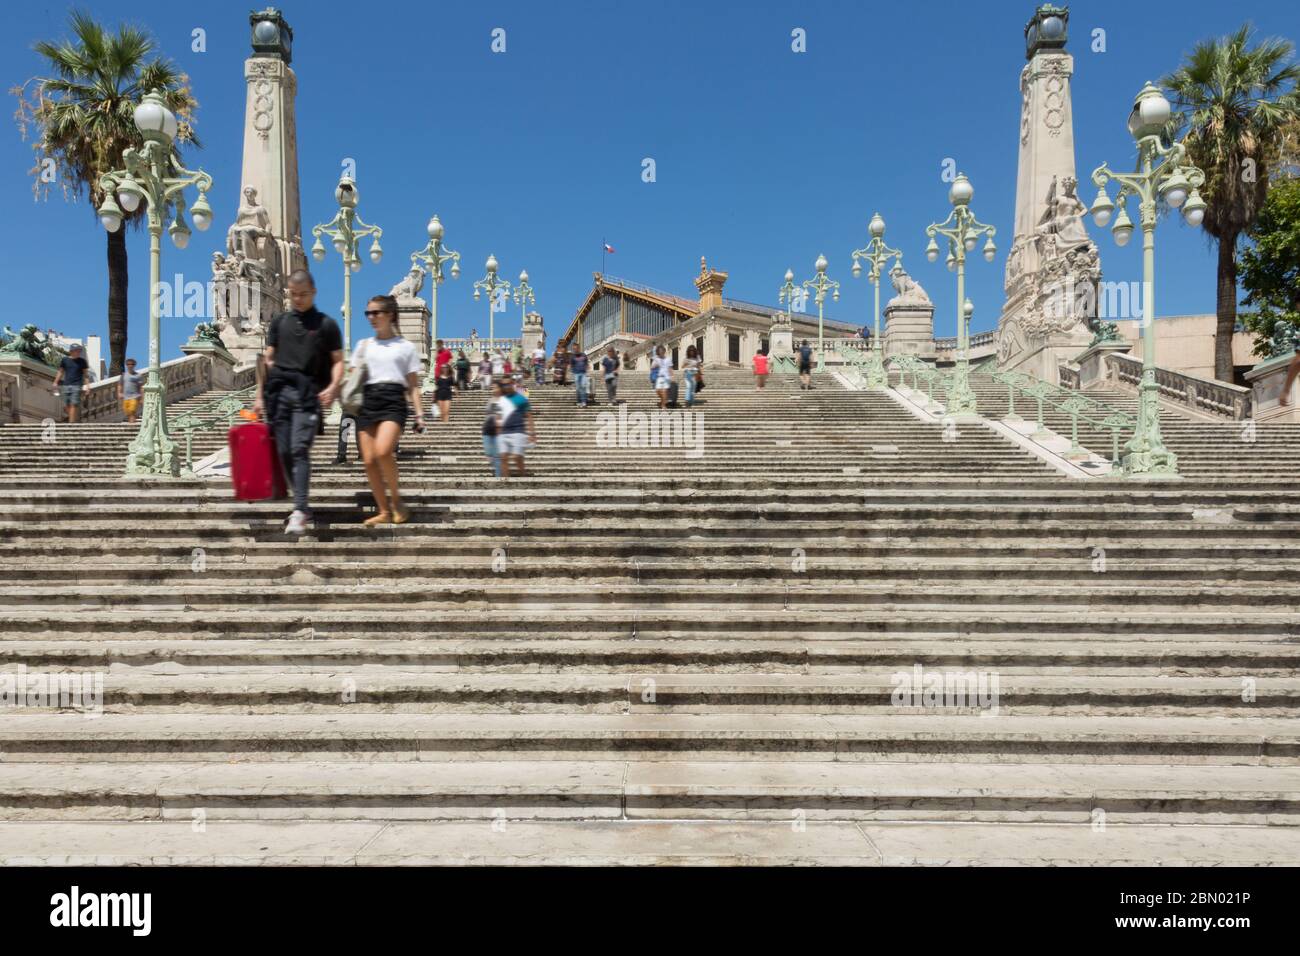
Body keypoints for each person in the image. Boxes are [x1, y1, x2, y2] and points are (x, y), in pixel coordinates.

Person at [253, 270, 344, 536]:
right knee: (283, 453)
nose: (298, 299)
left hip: (308, 395)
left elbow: (339, 361)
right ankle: (301, 503)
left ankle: (301, 508)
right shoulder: (279, 323)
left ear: (313, 292)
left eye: (303, 294)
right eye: (294, 295)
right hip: (279, 394)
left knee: (299, 448)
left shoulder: (326, 325)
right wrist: (260, 396)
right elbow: (268, 360)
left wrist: (333, 387)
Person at [352, 294, 423, 526]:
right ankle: (383, 510)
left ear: (390, 314)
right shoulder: (363, 345)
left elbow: (412, 385)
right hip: (368, 400)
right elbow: (354, 376)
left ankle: (396, 500)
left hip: (393, 400)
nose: (371, 317)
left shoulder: (406, 347)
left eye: (376, 313)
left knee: (383, 451)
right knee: (369, 460)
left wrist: (419, 413)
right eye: (368, 313)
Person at [495, 376, 536, 478]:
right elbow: (498, 416)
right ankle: (506, 482)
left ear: (512, 383)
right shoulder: (500, 399)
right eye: (504, 385)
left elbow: (529, 416)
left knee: (517, 457)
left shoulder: (521, 398)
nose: (506, 386)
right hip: (503, 432)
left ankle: (523, 477)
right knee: (503, 457)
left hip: (518, 431)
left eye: (508, 384)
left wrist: (532, 433)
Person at [53, 343, 91, 423]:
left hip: (77, 385)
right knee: (67, 406)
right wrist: (55, 382)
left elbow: (86, 375)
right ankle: (73, 418)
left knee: (73, 404)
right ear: (71, 351)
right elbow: (60, 372)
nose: (78, 352)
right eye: (76, 350)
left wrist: (88, 386)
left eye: (79, 350)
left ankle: (71, 424)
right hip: (66, 385)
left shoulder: (82, 361)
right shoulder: (65, 360)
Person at [482, 380, 503, 477]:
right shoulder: (491, 399)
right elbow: (488, 414)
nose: (493, 389)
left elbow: (499, 416)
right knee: (489, 454)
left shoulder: (503, 400)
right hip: (487, 428)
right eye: (492, 387)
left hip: (497, 430)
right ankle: (499, 472)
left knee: (497, 456)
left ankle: (498, 476)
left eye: (495, 387)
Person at [118, 357, 142, 423]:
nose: (130, 365)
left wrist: (142, 397)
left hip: (135, 396)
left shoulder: (138, 375)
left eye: (132, 364)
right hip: (126, 397)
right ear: (126, 365)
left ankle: (131, 425)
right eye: (128, 364)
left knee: (132, 410)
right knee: (127, 411)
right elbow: (120, 384)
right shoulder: (123, 375)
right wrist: (119, 393)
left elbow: (140, 387)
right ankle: (132, 420)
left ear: (134, 365)